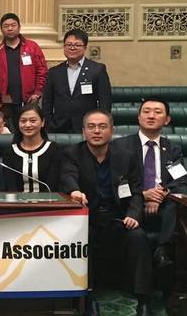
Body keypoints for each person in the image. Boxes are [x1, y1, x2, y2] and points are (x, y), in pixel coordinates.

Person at [61, 109, 153, 316]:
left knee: (138, 237)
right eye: (91, 127)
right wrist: (74, 190)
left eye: (102, 126)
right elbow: (68, 176)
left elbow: (137, 192)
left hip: (118, 218)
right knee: (80, 239)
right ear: (83, 131)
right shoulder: (72, 153)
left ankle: (144, 300)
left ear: (112, 131)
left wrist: (134, 215)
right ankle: (87, 297)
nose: (96, 131)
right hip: (88, 219)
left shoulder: (126, 157)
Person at [112, 97, 185, 275]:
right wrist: (143, 196)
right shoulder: (120, 146)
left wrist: (161, 195)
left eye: (157, 112)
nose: (151, 116)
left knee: (175, 206)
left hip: (164, 207)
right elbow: (116, 182)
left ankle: (162, 250)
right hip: (130, 205)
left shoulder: (172, 149)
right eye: (146, 111)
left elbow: (181, 180)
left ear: (167, 120)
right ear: (138, 117)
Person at [43, 28, 112, 133]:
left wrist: (100, 123)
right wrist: (49, 123)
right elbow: (47, 101)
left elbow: (105, 101)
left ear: (85, 47)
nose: (72, 48)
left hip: (87, 126)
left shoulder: (97, 69)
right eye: (68, 45)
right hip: (58, 126)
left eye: (77, 45)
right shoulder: (54, 72)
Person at [0, 13, 48, 126]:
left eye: (13, 25)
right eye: (6, 26)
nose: (10, 28)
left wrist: (37, 92)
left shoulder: (32, 47)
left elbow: (42, 71)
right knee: (8, 131)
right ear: (2, 30)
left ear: (19, 27)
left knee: (29, 128)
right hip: (5, 103)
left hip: (30, 100)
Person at [1, 104, 61, 192]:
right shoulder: (10, 151)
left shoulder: (53, 149)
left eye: (33, 121)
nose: (27, 125)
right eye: (23, 121)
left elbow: (53, 186)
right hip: (17, 203)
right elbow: (11, 187)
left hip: (48, 203)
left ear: (42, 122)